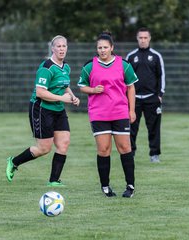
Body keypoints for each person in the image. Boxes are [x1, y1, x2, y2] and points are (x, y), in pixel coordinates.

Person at [5, 35, 80, 186]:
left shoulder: (66, 67)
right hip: (41, 108)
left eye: (64, 46)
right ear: (52, 48)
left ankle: (54, 181)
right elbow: (40, 92)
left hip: (58, 109)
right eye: (58, 46)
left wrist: (72, 96)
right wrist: (62, 99)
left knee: (64, 143)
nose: (61, 49)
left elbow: (64, 85)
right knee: (44, 148)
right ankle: (14, 162)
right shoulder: (46, 68)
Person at [78, 32, 138, 198]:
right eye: (99, 48)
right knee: (104, 150)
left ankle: (130, 186)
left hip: (120, 112)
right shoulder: (89, 66)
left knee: (125, 148)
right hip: (99, 114)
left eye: (105, 47)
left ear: (112, 48)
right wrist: (93, 90)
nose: (102, 50)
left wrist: (131, 110)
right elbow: (82, 86)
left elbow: (131, 87)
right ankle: (105, 187)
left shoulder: (124, 65)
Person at [126, 27, 165, 163]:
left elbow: (161, 76)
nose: (143, 40)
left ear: (149, 39)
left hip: (152, 98)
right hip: (134, 99)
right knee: (131, 128)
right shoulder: (131, 56)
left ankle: (154, 155)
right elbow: (125, 78)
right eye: (140, 38)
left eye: (145, 38)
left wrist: (160, 94)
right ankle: (130, 153)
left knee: (154, 128)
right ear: (137, 39)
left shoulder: (156, 56)